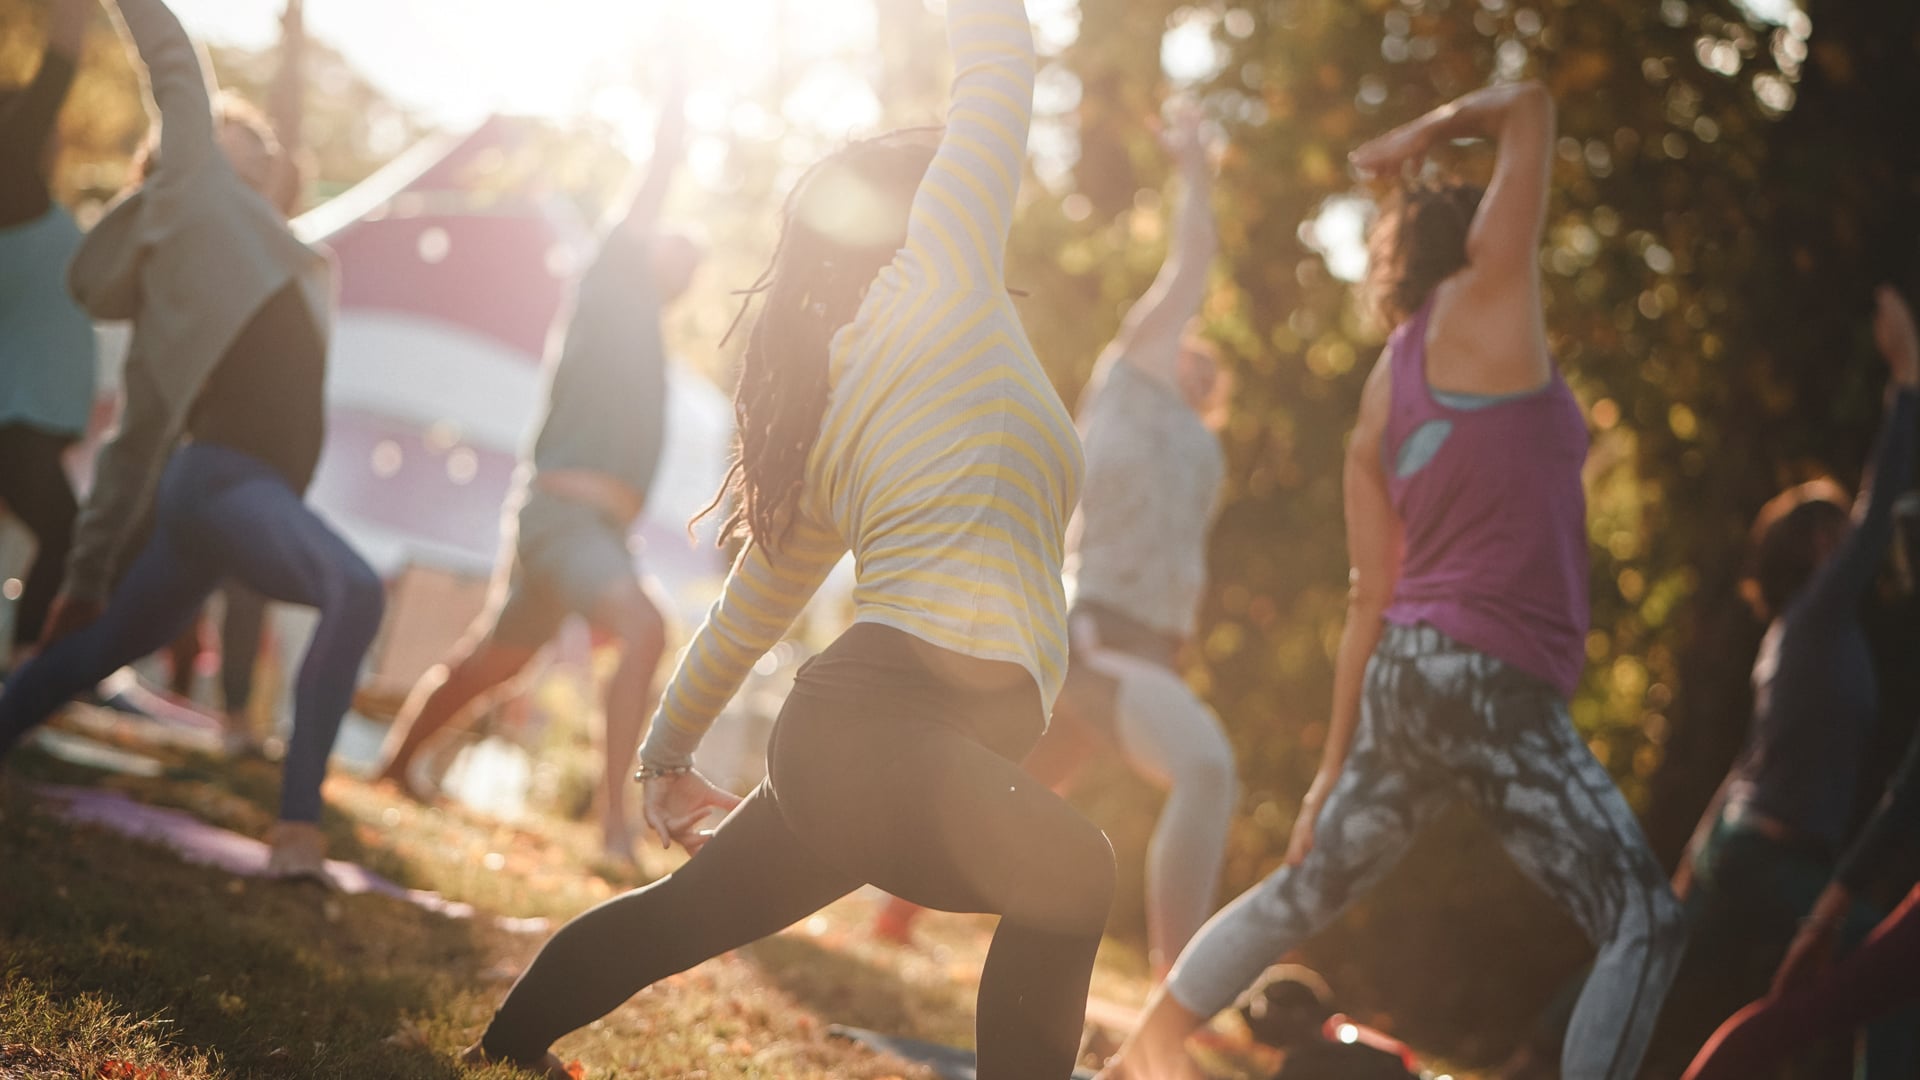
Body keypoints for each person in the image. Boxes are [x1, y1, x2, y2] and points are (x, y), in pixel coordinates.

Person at [459, 0, 1115, 1074]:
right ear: (925, 211)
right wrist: (665, 762)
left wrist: (667, 759)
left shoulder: (840, 410)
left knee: (686, 917)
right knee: (1074, 875)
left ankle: (504, 1051)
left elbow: (741, 622)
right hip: (884, 729)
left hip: (876, 744)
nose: (975, 177)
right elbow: (1000, 52)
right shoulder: (940, 277)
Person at [1097, 82, 1686, 1080]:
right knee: (1645, 919)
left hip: (1408, 679)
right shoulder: (1490, 304)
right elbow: (1533, 105)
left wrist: (1332, 769)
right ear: (1481, 240)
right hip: (1490, 678)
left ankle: (1131, 1066)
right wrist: (1419, 137)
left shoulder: (1387, 386)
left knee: (1301, 890)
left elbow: (1370, 595)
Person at [0, 0, 384, 881]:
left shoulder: (258, 251)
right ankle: (296, 831)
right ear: (189, 161)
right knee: (354, 592)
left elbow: (136, 447)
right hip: (227, 485)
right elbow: (172, 56)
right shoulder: (200, 193)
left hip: (211, 503)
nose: (258, 151)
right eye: (233, 139)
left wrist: (87, 583)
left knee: (97, 649)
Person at [874, 103, 1236, 979]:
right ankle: (1177, 985)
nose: (1200, 361)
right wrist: (1194, 165)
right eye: (1190, 349)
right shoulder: (1133, 376)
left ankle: (890, 909)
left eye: (1211, 371)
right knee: (1207, 770)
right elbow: (1192, 264)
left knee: (1015, 790)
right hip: (1094, 634)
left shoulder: (1198, 442)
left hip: (1139, 646)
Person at [371, 80, 701, 862]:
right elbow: (658, 169)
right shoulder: (611, 281)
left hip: (585, 530)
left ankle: (391, 765)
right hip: (565, 521)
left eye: (697, 261)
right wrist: (681, 91)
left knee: (499, 661)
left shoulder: (646, 335)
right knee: (645, 629)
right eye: (679, 244)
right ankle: (614, 829)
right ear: (643, 246)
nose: (688, 258)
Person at [1677, 285, 1920, 1080]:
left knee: (1798, 1000)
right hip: (1772, 855)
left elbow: (1749, 757)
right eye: (1835, 528)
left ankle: (1538, 1050)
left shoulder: (1804, 636)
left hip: (1746, 845)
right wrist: (1907, 379)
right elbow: (1882, 501)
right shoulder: (1818, 615)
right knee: (1874, 992)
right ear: (1816, 547)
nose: (1851, 537)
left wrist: (1694, 854)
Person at [0, 0, 96, 664]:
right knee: (67, 535)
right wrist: (74, 21)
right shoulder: (13, 190)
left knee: (64, 534)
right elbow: (49, 84)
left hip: (31, 417)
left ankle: (22, 667)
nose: (56, 132)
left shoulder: (35, 207)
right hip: (15, 416)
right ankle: (24, 666)